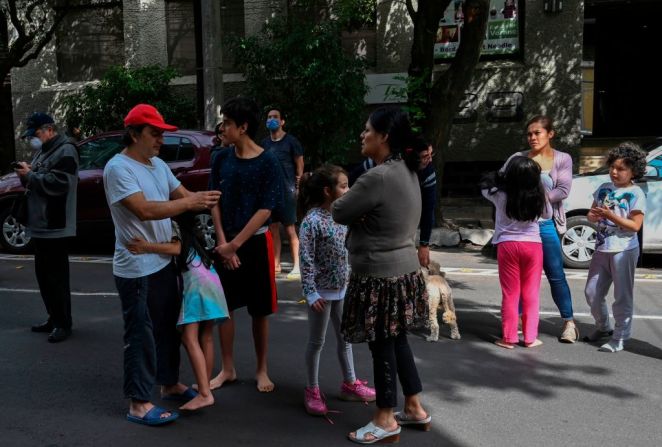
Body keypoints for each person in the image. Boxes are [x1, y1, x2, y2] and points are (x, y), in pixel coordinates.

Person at [103, 104, 221, 426]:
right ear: (134, 134)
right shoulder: (118, 168)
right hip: (136, 267)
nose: (160, 140)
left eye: (162, 134)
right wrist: (189, 201)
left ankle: (169, 383)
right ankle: (138, 403)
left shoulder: (156, 165)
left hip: (163, 262)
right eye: (154, 134)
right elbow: (143, 210)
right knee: (141, 335)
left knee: (169, 328)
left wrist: (205, 199)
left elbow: (183, 195)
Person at [332, 107, 431, 444]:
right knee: (398, 338)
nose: (363, 135)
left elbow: (339, 210)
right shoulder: (407, 170)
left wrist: (354, 206)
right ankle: (414, 406)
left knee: (382, 346)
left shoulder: (377, 177)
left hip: (378, 274)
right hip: (404, 271)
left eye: (367, 130)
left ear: (384, 136)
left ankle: (385, 417)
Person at [208, 97, 283, 393]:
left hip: (254, 242)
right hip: (225, 243)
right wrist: (223, 243)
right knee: (224, 308)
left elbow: (266, 208)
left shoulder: (268, 161)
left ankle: (261, 369)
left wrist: (235, 245)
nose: (222, 127)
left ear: (243, 127)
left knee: (259, 310)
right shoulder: (220, 158)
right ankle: (227, 368)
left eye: (227, 123)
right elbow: (214, 200)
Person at [126, 212, 230, 411]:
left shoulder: (173, 225)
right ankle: (204, 386)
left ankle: (204, 394)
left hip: (196, 285)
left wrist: (144, 247)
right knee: (206, 336)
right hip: (211, 281)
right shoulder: (194, 234)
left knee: (189, 338)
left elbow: (176, 247)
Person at [297, 165, 376, 417]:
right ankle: (312, 389)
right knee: (316, 342)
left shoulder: (344, 215)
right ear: (327, 191)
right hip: (320, 293)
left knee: (346, 339)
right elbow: (306, 258)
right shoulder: (311, 221)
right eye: (343, 185)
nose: (348, 189)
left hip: (342, 288)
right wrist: (310, 292)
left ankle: (350, 383)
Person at [501, 115, 579, 343]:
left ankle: (569, 322)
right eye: (529, 134)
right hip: (517, 226)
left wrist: (534, 201)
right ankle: (515, 322)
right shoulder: (517, 157)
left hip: (544, 224)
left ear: (550, 134)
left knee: (556, 274)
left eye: (538, 133)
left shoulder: (562, 158)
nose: (532, 137)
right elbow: (500, 181)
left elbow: (563, 189)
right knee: (518, 280)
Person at [15, 112, 79, 343]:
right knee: (44, 276)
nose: (33, 139)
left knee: (56, 277)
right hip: (41, 224)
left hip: (55, 224)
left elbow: (60, 183)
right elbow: (43, 177)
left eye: (36, 134)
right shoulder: (45, 150)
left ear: (49, 129)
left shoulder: (66, 150)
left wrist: (30, 175)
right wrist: (28, 172)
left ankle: (63, 323)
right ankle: (54, 317)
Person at [482, 156, 552, 349]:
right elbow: (548, 215)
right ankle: (530, 337)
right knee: (531, 293)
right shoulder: (539, 195)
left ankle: (509, 338)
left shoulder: (500, 195)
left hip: (507, 245)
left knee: (510, 293)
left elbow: (485, 184)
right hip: (533, 245)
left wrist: (501, 174)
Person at [584, 142, 647, 353]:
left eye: (621, 169)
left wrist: (611, 215)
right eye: (612, 166)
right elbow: (591, 215)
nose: (614, 172)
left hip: (624, 250)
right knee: (592, 292)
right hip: (602, 248)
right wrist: (593, 216)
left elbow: (635, 226)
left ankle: (620, 337)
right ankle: (603, 328)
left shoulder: (636, 193)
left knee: (622, 296)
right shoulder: (603, 189)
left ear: (633, 171)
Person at [349, 141, 436, 268]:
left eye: (431, 155)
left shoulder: (427, 172)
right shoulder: (380, 162)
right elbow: (350, 182)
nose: (429, 160)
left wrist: (424, 244)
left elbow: (428, 208)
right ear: (411, 155)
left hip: (402, 227)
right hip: (374, 222)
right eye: (425, 156)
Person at [260, 107, 304, 279]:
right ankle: (276, 264)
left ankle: (297, 266)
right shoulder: (264, 143)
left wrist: (299, 187)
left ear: (282, 121)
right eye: (269, 117)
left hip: (287, 191)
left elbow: (299, 165)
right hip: (270, 192)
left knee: (290, 228)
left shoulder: (291, 142)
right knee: (273, 229)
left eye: (275, 117)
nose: (272, 119)